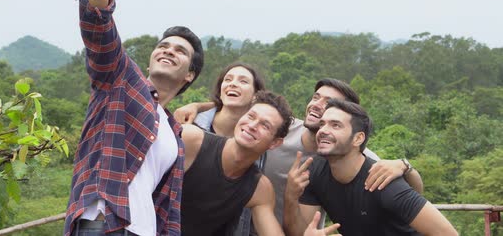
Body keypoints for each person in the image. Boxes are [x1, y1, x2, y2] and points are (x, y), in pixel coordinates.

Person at [64, 0, 204, 236]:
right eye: (164, 45)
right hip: (104, 223)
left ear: (190, 75)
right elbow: (96, 17)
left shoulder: (174, 132)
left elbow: (167, 206)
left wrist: (203, 106)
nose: (169, 50)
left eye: (180, 51)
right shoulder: (121, 81)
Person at [176, 78, 424, 227]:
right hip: (237, 224)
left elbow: (409, 197)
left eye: (328, 104)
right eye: (315, 97)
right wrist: (197, 105)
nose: (317, 105)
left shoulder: (353, 155)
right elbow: (254, 107)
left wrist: (403, 165)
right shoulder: (281, 126)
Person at [283, 99, 458, 236]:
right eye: (322, 124)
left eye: (335, 125)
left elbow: (448, 233)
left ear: (358, 139)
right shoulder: (316, 171)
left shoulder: (383, 181)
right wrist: (290, 195)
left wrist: (406, 166)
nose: (323, 130)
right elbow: (299, 233)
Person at [180, 90, 293, 235]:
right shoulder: (191, 140)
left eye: (265, 126)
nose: (252, 125)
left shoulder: (259, 189)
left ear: (275, 143)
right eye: (251, 116)